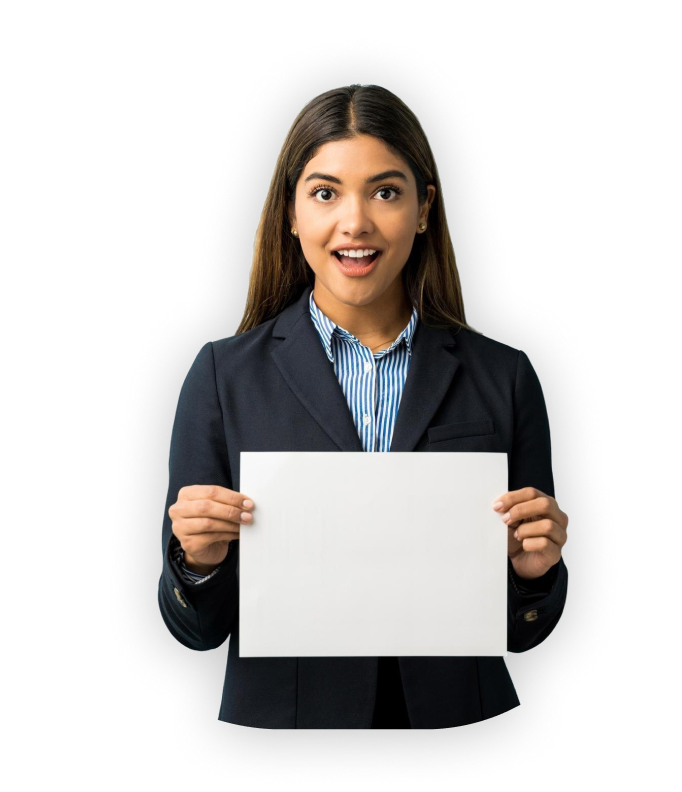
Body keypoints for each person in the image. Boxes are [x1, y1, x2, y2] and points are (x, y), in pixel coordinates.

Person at [157, 84, 569, 731]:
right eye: (325, 192)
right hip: (282, 746)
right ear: (291, 211)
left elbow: (523, 635)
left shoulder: (506, 376)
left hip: (463, 739)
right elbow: (193, 632)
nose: (355, 223)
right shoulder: (221, 375)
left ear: (424, 208)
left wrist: (535, 574)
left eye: (385, 191)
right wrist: (197, 562)